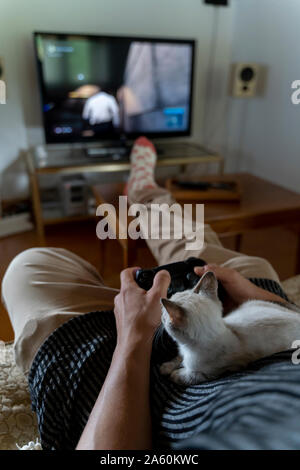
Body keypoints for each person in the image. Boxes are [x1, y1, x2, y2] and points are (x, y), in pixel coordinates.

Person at [2, 137, 300, 451]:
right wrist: (269, 302)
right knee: (241, 261)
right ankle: (144, 189)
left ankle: (142, 206)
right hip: (256, 328)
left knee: (30, 264)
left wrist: (131, 340)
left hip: (128, 401)